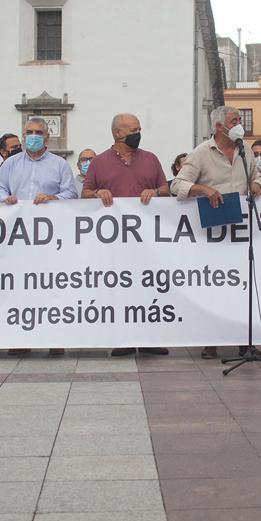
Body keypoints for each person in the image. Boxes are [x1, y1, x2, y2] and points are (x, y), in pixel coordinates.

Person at [171, 105, 261, 360]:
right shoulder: (201, 153)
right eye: (234, 121)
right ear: (219, 126)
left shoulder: (245, 151)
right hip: (212, 231)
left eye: (240, 119)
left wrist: (257, 185)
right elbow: (177, 184)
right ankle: (211, 340)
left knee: (241, 287)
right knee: (214, 287)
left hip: (241, 230)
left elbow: (256, 177)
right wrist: (203, 189)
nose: (239, 124)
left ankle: (244, 341)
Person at [82, 113, 171, 357]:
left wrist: (155, 192)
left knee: (149, 286)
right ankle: (123, 338)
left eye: (139, 129)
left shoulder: (150, 159)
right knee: (120, 289)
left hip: (147, 240)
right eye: (133, 130)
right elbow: (85, 193)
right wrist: (98, 193)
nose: (138, 134)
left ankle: (150, 339)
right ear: (118, 133)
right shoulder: (99, 162)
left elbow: (165, 188)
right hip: (114, 241)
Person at [0, 118, 77, 356]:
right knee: (19, 285)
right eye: (29, 132)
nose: (33, 136)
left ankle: (55, 338)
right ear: (22, 136)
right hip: (18, 236)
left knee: (51, 285)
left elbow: (71, 193)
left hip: (49, 238)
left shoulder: (60, 164)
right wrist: (6, 199)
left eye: (38, 132)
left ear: (47, 137)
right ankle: (21, 338)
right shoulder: (10, 164)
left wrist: (53, 199)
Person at [0, 133, 21, 203]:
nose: (19, 149)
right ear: (3, 152)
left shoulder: (26, 170)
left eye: (20, 146)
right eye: (14, 147)